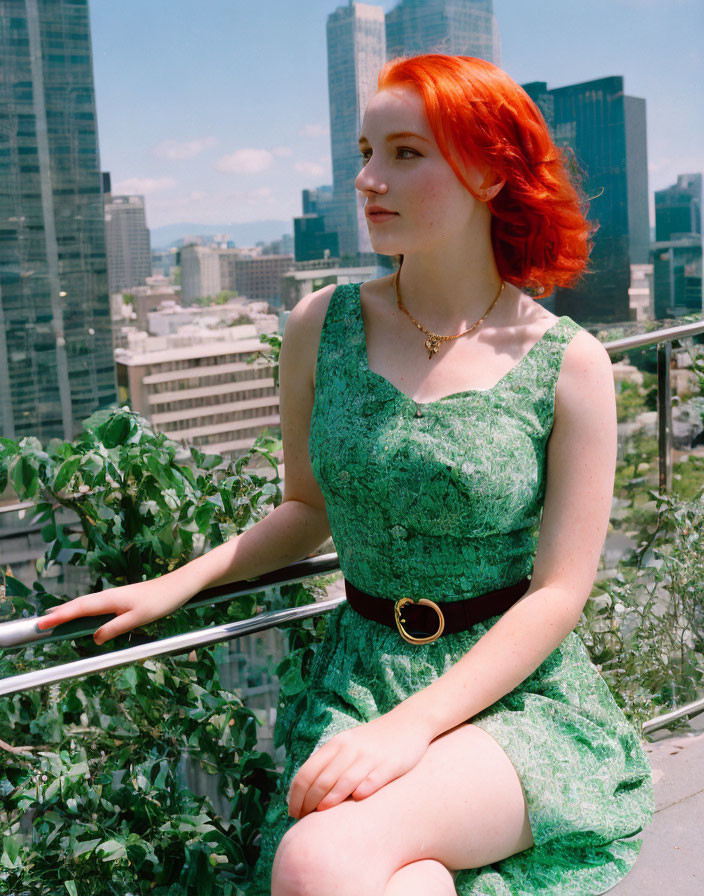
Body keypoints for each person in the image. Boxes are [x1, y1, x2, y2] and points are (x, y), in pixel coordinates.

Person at [37, 54, 654, 896]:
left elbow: (558, 592)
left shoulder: (568, 364)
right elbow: (307, 506)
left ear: (488, 170)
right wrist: (175, 584)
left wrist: (410, 730)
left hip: (518, 698)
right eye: (365, 151)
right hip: (362, 677)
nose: (367, 179)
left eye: (405, 153)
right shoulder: (319, 325)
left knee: (318, 863)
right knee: (399, 882)